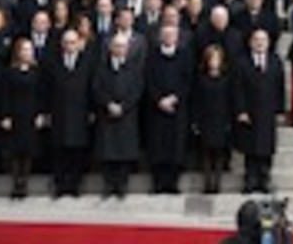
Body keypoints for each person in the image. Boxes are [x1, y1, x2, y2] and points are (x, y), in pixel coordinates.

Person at [234, 27, 286, 194]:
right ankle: (250, 180)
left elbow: (280, 87)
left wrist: (280, 111)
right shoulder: (242, 62)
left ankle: (264, 179)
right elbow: (237, 89)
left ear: (268, 43)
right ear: (250, 42)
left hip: (268, 111)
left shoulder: (275, 61)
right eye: (256, 40)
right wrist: (241, 110)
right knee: (250, 147)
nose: (259, 43)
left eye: (263, 40)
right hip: (249, 111)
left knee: (266, 148)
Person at [92, 31, 144, 199]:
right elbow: (96, 88)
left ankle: (122, 185)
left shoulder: (134, 68)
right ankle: (109, 184)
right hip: (107, 113)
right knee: (108, 152)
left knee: (124, 152)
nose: (119, 49)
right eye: (116, 46)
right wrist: (108, 104)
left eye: (123, 46)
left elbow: (137, 90)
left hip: (126, 115)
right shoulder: (102, 67)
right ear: (110, 47)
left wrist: (124, 106)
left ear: (127, 49)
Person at [145, 21, 193, 194]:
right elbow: (148, 80)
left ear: (177, 37)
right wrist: (159, 100)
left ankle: (173, 183)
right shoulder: (152, 56)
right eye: (165, 35)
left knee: (176, 147)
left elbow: (188, 81)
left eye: (172, 35)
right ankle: (158, 183)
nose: (168, 38)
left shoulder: (185, 55)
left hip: (177, 109)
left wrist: (175, 98)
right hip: (156, 109)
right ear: (160, 37)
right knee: (158, 147)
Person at [46, 28, 93, 197]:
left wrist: (92, 110)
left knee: (77, 150)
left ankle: (75, 185)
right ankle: (60, 185)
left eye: (73, 42)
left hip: (80, 112)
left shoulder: (88, 61)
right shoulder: (53, 61)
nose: (69, 46)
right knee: (59, 150)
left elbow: (91, 87)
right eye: (66, 42)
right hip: (59, 112)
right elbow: (46, 88)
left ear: (79, 43)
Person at [0, 37, 45, 199]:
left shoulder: (37, 72)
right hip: (15, 114)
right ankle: (15, 182)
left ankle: (24, 182)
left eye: (30, 50)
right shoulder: (9, 72)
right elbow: (4, 95)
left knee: (28, 150)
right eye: (24, 49)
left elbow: (41, 94)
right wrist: (5, 115)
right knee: (15, 151)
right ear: (18, 52)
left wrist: (41, 113)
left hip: (30, 115)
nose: (27, 53)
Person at [192, 44, 232, 195]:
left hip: (221, 118)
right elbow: (196, 100)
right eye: (211, 58)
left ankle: (217, 183)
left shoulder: (227, 79)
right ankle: (208, 183)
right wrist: (195, 121)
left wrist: (229, 120)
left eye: (217, 58)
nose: (214, 62)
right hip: (205, 118)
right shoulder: (200, 78)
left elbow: (230, 101)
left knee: (220, 152)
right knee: (206, 151)